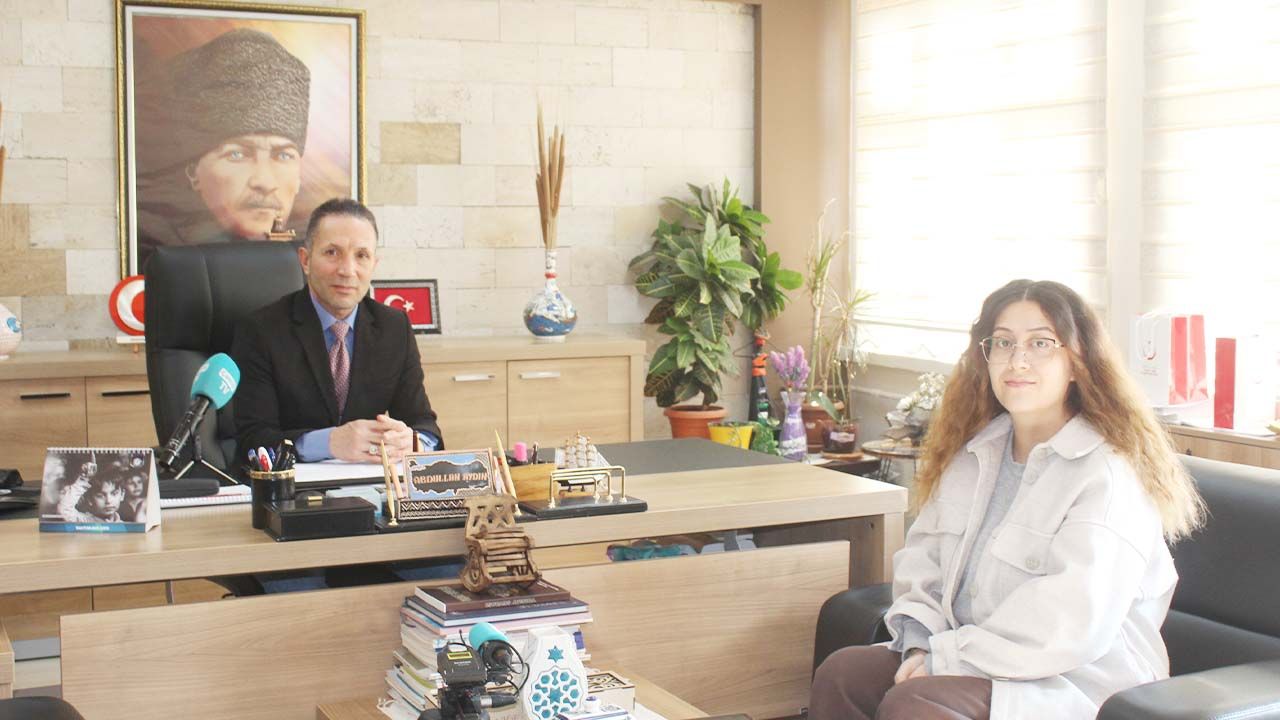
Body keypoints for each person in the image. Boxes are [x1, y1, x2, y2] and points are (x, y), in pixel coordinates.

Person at [809, 279, 1205, 720]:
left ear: (1077, 362)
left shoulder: (1107, 475)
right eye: (1003, 342)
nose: (1018, 360)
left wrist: (947, 660)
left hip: (1073, 681)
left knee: (915, 703)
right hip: (971, 658)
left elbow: (1071, 623)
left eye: (1040, 343)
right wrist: (921, 644)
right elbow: (923, 562)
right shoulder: (974, 454)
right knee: (843, 674)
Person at [232, 197, 442, 465]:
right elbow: (253, 441)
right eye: (332, 252)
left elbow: (425, 426)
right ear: (305, 260)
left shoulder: (394, 327)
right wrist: (329, 442)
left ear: (373, 265)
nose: (347, 270)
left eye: (361, 255)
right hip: (294, 485)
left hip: (370, 482)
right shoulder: (261, 331)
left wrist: (413, 442)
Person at [134, 28, 311, 272]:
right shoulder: (164, 263)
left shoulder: (316, 262)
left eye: (283, 156)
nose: (265, 182)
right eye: (237, 155)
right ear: (193, 172)